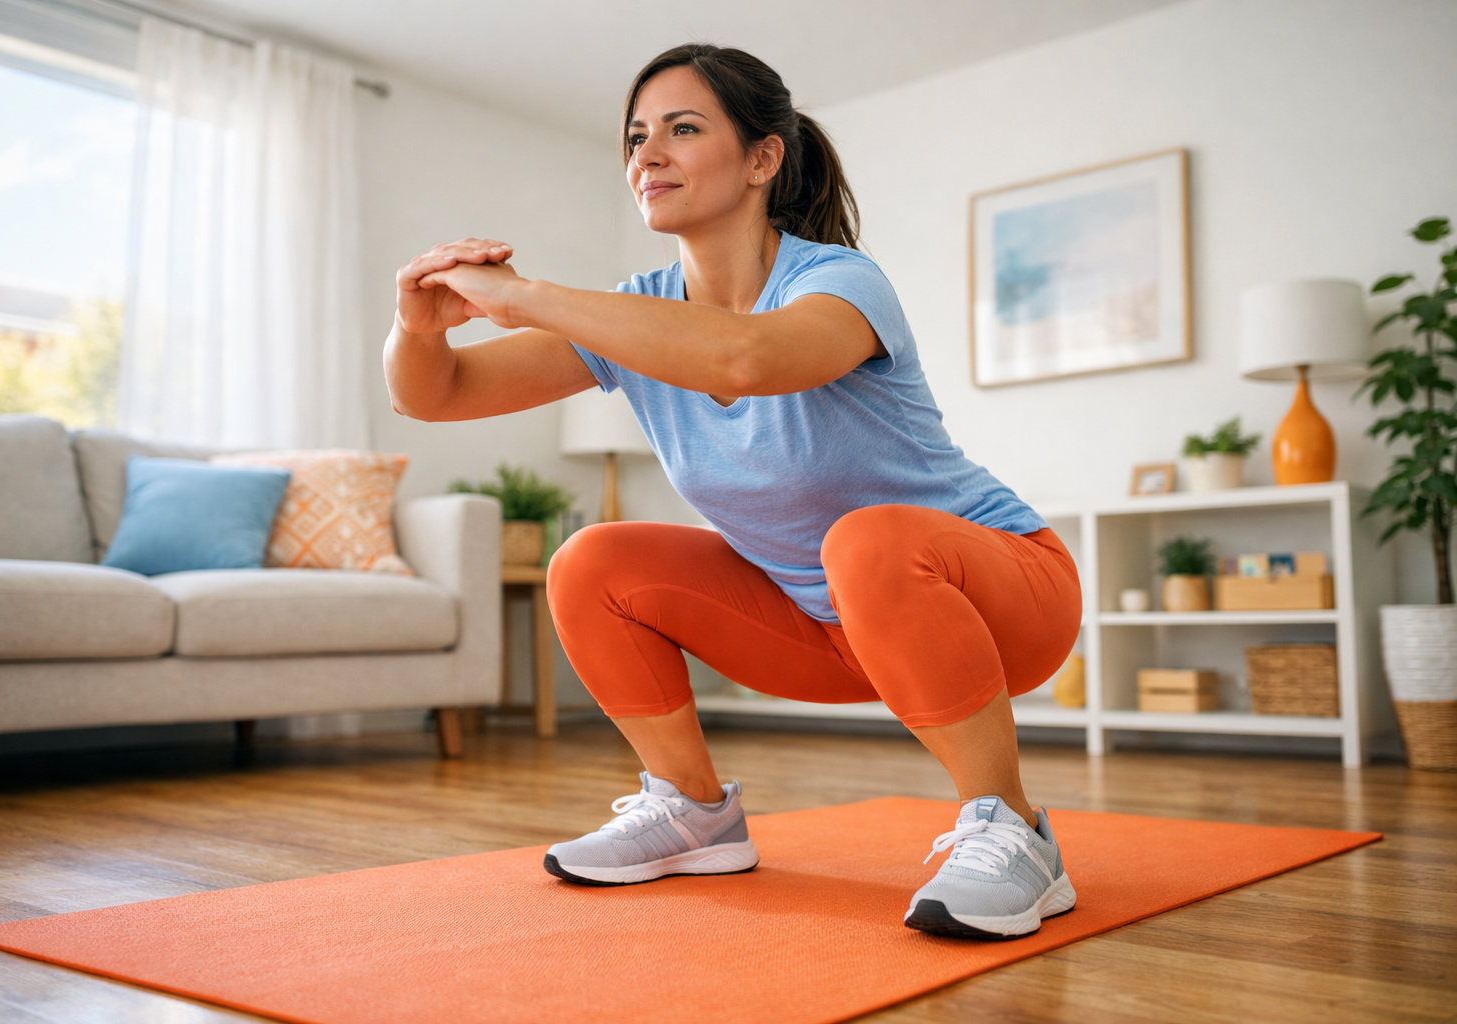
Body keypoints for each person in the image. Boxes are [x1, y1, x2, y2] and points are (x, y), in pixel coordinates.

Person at [383, 44, 1081, 941]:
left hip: (1001, 598)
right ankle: (693, 813)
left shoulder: (836, 281)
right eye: (636, 137)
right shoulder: (631, 314)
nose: (647, 154)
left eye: (682, 129)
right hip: (826, 628)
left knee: (865, 541)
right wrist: (417, 323)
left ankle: (1014, 831)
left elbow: (742, 359)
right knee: (594, 560)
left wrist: (526, 296)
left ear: (762, 159)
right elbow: (431, 396)